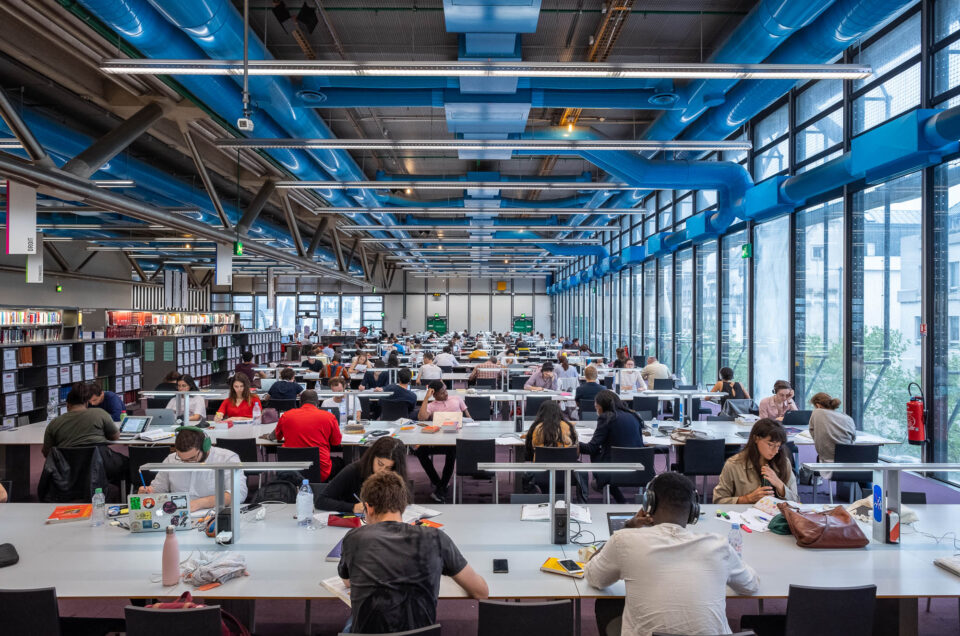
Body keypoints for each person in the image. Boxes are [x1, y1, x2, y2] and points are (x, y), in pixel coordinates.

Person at [584, 472, 759, 636]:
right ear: (693, 512)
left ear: (648, 505)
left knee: (606, 604)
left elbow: (594, 576)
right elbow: (750, 585)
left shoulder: (625, 540)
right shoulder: (719, 546)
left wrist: (628, 527)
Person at [338, 471, 488, 634]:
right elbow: (481, 591)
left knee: (353, 619)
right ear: (403, 506)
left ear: (369, 508)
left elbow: (347, 581)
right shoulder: (435, 538)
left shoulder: (354, 539)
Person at [139, 426, 247, 511]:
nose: (187, 462)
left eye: (192, 458)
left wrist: (200, 503)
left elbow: (239, 493)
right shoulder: (171, 460)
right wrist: (148, 493)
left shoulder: (227, 458)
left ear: (205, 447)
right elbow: (158, 489)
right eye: (181, 458)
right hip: (177, 515)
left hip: (213, 515)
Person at [43, 382, 128, 483]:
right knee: (127, 464)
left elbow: (47, 452)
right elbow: (115, 436)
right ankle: (126, 494)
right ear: (86, 403)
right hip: (100, 464)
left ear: (67, 405)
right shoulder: (100, 414)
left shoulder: (54, 423)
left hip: (67, 468)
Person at [713, 418, 799, 504]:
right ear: (756, 439)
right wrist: (747, 499)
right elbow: (718, 501)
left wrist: (780, 485)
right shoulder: (734, 464)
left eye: (778, 446)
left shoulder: (784, 462)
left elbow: (796, 501)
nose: (775, 451)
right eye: (770, 445)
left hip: (776, 515)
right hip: (745, 515)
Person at [580, 390, 644, 502]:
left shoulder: (606, 417)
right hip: (639, 466)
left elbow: (591, 448)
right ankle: (619, 498)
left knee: (596, 453)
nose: (596, 408)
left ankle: (602, 483)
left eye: (596, 406)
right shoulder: (634, 415)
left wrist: (574, 443)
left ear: (602, 405)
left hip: (615, 467)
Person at [315, 437, 408, 513]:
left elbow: (404, 502)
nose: (382, 471)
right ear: (372, 457)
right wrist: (352, 507)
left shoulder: (395, 475)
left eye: (388, 468)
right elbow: (321, 501)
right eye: (380, 464)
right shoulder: (353, 471)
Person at [416, 380, 472, 502]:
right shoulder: (431, 405)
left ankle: (441, 487)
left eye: (445, 390)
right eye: (442, 393)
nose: (446, 394)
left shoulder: (457, 399)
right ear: (434, 394)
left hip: (455, 438)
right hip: (438, 440)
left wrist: (469, 422)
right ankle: (440, 484)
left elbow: (469, 418)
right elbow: (422, 417)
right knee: (420, 452)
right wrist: (426, 398)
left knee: (452, 451)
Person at [270, 390, 342, 482]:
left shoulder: (286, 415)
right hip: (320, 471)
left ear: (300, 402)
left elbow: (277, 436)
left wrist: (268, 436)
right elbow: (336, 442)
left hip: (291, 471)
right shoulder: (329, 417)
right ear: (317, 403)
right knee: (340, 463)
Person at [808, 392, 856, 479]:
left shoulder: (817, 412)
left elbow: (813, 433)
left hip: (827, 459)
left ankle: (816, 481)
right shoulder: (848, 418)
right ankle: (866, 491)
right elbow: (853, 438)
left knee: (819, 456)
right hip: (848, 459)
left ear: (818, 405)